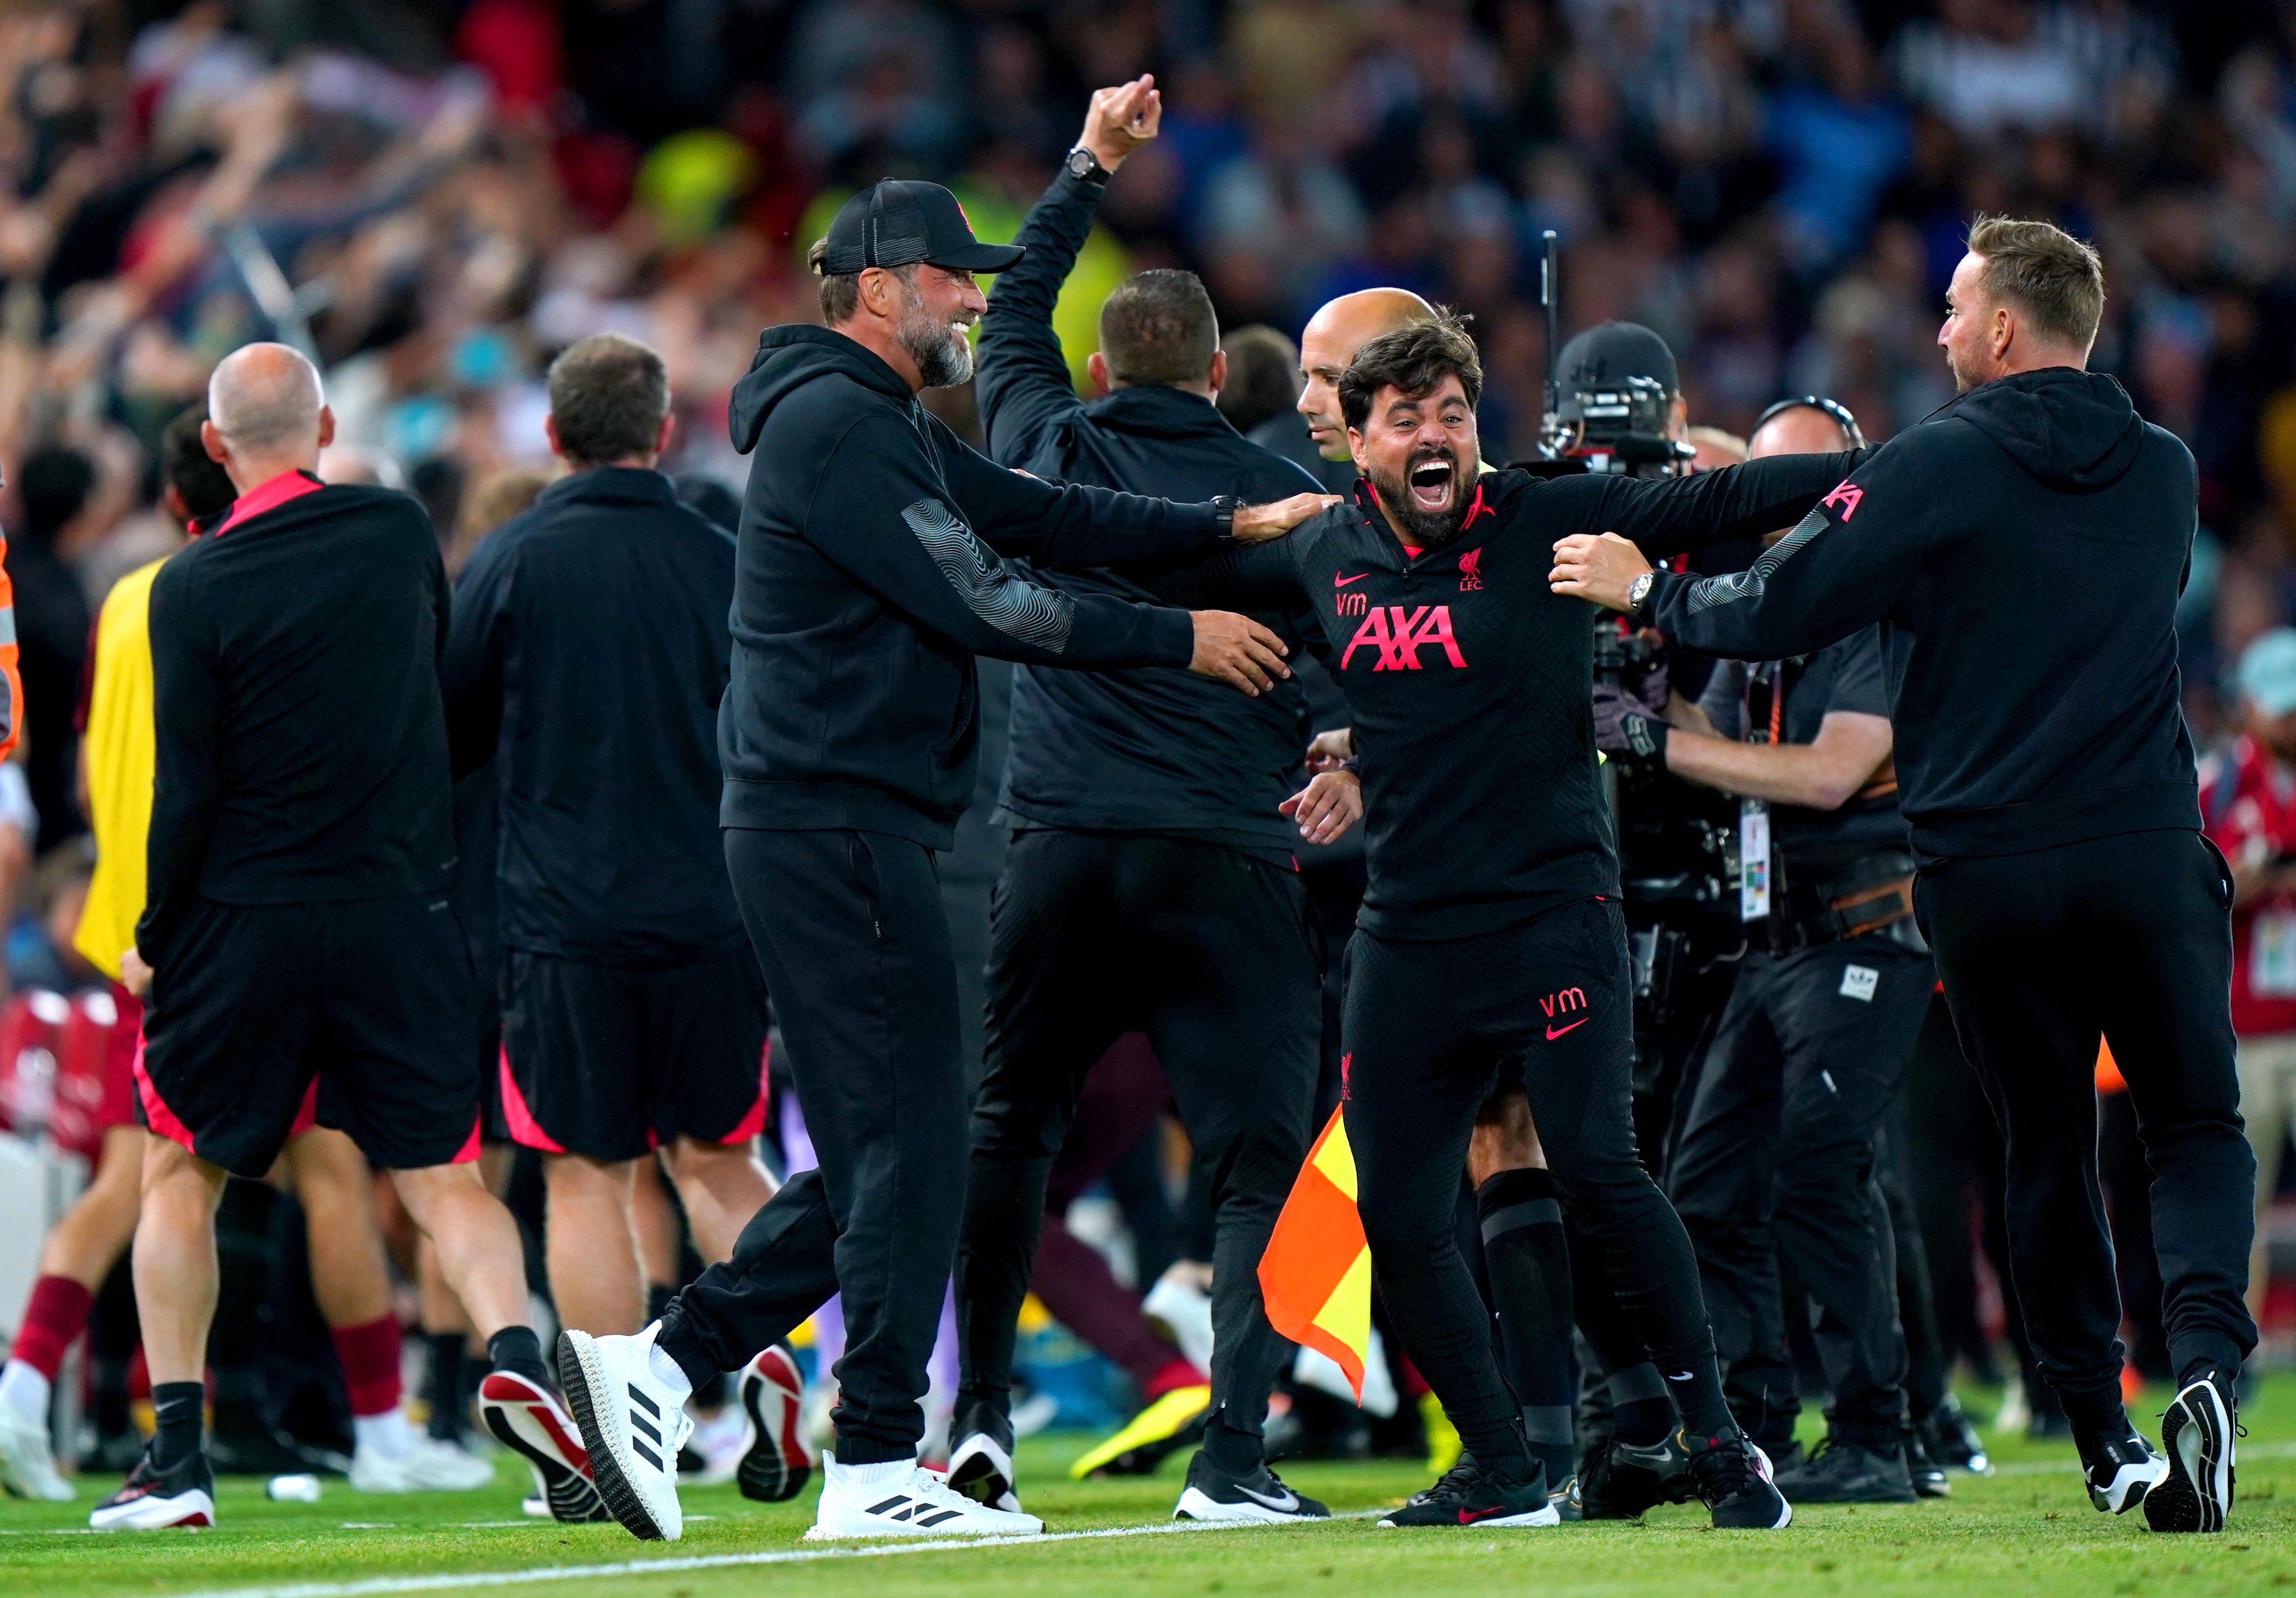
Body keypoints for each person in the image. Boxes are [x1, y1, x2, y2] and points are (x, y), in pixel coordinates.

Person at [553, 177, 1330, 1544]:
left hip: (836, 820)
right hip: (832, 822)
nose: (972, 298)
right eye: (951, 278)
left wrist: (1215, 532)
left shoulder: (872, 421)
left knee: (890, 1145)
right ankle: (866, 1461)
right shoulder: (839, 431)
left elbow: (1041, 515)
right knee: (911, 1139)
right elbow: (987, 597)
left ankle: (661, 1366)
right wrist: (1181, 635)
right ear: (873, 288)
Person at [1552, 215, 2254, 1535]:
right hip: (2145, 843)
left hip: (1986, 862)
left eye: (1949, 308)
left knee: (2039, 1145)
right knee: (2192, 1126)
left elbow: (1775, 607)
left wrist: (1648, 593)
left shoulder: (1936, 460)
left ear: (1999, 327)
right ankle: (2206, 1368)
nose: (1934, 331)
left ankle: (2102, 1436)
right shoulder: (2162, 472)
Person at [1142, 312, 1861, 1530]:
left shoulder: (1539, 517)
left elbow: (1724, 500)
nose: (1436, 435)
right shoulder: (1321, 553)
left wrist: (1888, 470)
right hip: (1409, 935)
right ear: (1359, 442)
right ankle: (1502, 1464)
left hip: (1549, 916)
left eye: (1454, 413)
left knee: (1597, 1168)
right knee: (1399, 1211)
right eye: (1407, 417)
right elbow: (1140, 561)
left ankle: (1724, 1443)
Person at [99, 344, 597, 1532]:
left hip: (245, 917)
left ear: (214, 449)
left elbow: (189, 790)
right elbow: (428, 690)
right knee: (446, 1178)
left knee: (181, 1170)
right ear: (324, 426)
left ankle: (176, 1462)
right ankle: (519, 1362)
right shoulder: (394, 532)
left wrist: (159, 932)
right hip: (396, 906)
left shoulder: (189, 584)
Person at [954, 75, 1339, 1524]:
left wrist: (1086, 166)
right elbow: (1333, 681)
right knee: (1248, 1164)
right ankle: (1230, 1460)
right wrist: (1336, 749)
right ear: (1211, 378)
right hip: (1222, 863)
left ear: (1103, 373)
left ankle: (978, 1430)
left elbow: (1007, 316)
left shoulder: (1044, 448)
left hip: (1054, 850)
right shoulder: (1280, 496)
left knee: (1007, 1134)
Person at [441, 332, 807, 1502]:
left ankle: (613, 1440)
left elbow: (450, 739)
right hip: (714, 906)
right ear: (661, 430)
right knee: (719, 1157)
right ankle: (771, 1357)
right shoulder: (724, 557)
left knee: (586, 1173)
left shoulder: (507, 560)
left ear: (551, 436)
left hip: (562, 923)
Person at [1609, 397, 1936, 1504]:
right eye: (1767, 487)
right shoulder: (1763, 627)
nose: (1787, 515)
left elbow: (1828, 774)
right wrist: (1632, 698)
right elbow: (1705, 735)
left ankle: (1877, 1435)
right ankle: (1757, 1425)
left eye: (1806, 487)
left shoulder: (1876, 616)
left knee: (1819, 1175)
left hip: (1862, 927)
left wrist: (1660, 742)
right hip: (1772, 939)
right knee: (1702, 1189)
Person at [2199, 627, 2296, 1333]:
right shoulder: (2216, 785)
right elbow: (2186, 894)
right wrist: (2243, 882)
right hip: (2245, 1030)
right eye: (2283, 706)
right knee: (2239, 1205)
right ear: (2250, 709)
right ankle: (2236, 1353)